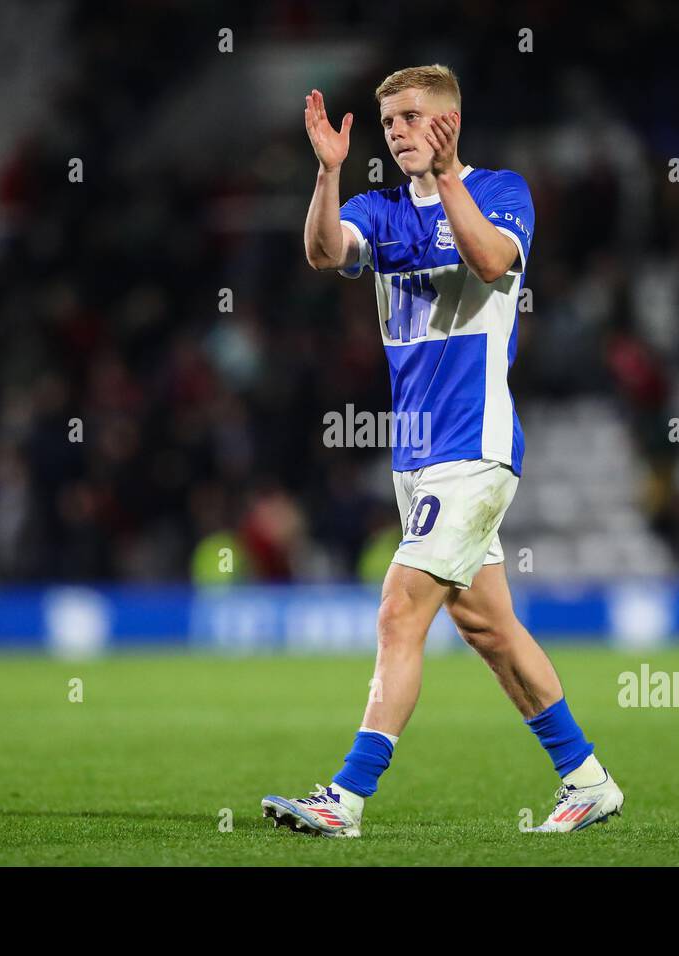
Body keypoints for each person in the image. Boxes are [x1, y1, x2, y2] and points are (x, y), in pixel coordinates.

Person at [262, 65, 622, 837]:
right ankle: (587, 779)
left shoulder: (501, 191)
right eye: (388, 121)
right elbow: (326, 253)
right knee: (491, 631)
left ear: (449, 122)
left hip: (476, 444)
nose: (396, 132)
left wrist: (451, 175)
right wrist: (327, 175)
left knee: (398, 610)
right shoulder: (378, 208)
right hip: (417, 457)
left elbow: (492, 261)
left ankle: (347, 798)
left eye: (412, 117)